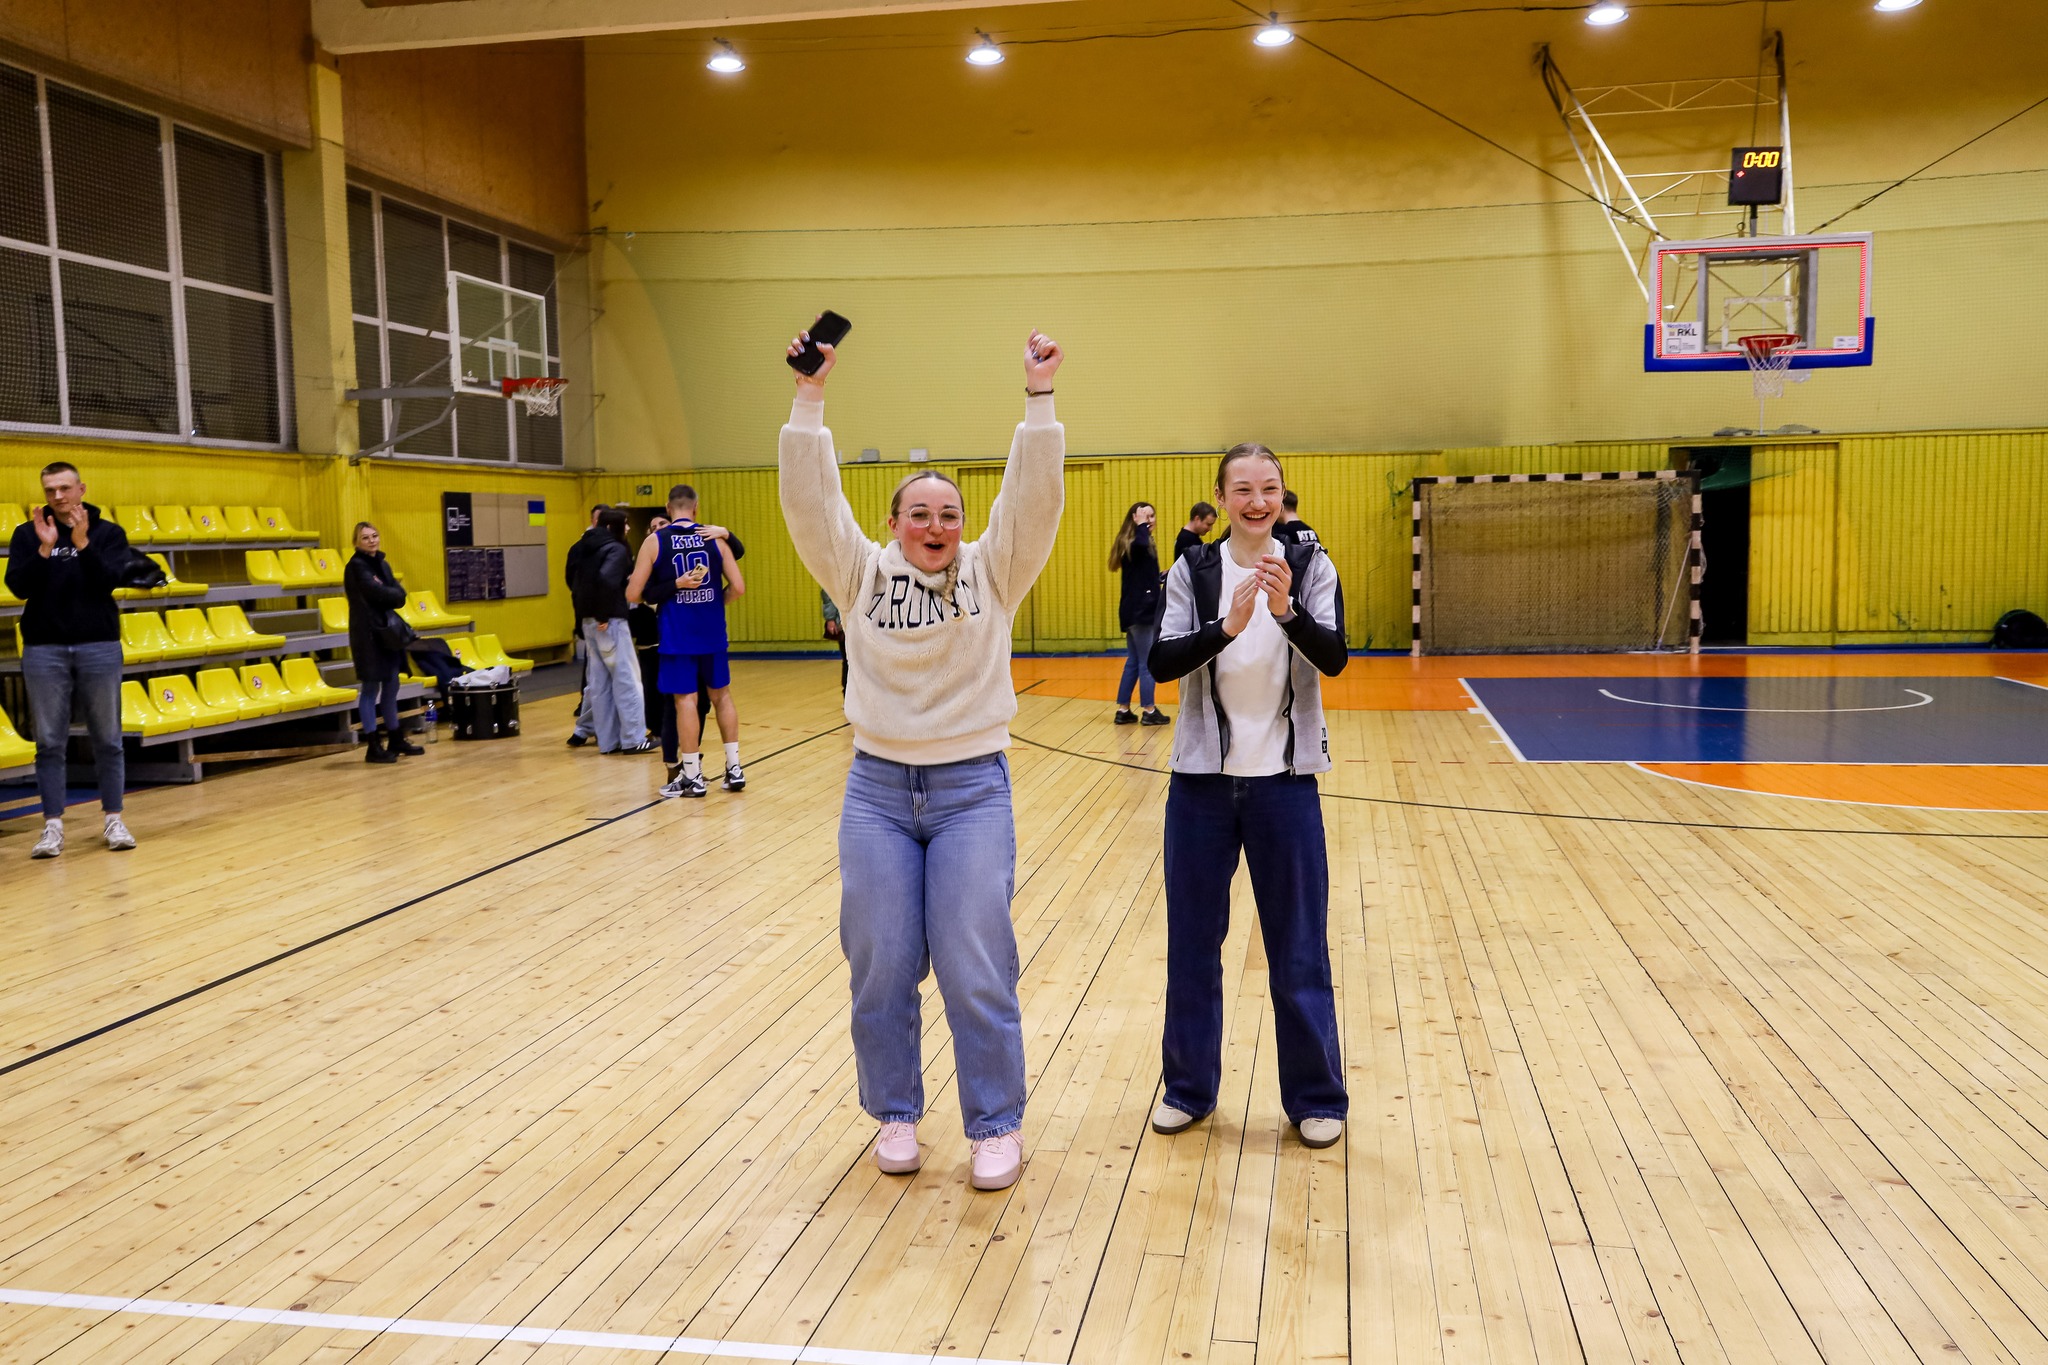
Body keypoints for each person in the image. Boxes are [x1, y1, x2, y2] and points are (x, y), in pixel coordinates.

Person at [779, 318, 1065, 1193]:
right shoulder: (858, 573)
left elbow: (1034, 501)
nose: (935, 525)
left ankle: (996, 1124)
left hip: (972, 789)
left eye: (949, 514)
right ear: (892, 522)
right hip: (876, 792)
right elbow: (810, 503)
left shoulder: (993, 571)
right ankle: (896, 1113)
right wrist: (809, 395)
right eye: (919, 512)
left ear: (964, 526)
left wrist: (1040, 399)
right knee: (880, 962)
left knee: (975, 964)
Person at [1147, 443, 1350, 1151]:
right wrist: (1226, 627)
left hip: (1286, 787)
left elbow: (1335, 657)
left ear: (1282, 495)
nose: (1256, 501)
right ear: (1222, 496)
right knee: (1192, 945)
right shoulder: (1192, 569)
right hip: (1200, 788)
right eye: (1242, 489)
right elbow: (1161, 661)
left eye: (1268, 488)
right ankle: (1187, 1088)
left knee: (1298, 947)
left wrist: (1287, 612)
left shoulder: (1312, 566)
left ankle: (1317, 1098)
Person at [7, 461, 134, 857]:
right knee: (48, 741)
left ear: (81, 489)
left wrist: (82, 544)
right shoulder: (27, 534)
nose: (58, 496)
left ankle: (114, 819)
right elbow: (18, 587)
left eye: (64, 488)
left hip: (99, 644)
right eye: (50, 490)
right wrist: (45, 549)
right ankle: (52, 827)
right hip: (44, 648)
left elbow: (110, 580)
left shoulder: (108, 533)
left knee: (108, 738)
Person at [626, 485, 745, 796]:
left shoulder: (655, 541)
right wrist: (716, 602)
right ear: (696, 507)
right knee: (722, 696)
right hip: (712, 631)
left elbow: (633, 593)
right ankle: (734, 768)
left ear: (668, 508)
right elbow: (738, 587)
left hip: (677, 634)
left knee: (686, 701)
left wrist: (673, 586)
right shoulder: (715, 538)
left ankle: (692, 775)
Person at [344, 521, 465, 764]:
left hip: (388, 634)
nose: (372, 540)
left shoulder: (382, 564)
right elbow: (377, 592)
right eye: (365, 537)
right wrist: (389, 592)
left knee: (392, 685)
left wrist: (389, 592)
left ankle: (396, 738)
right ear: (356, 542)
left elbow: (399, 596)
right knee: (370, 688)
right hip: (368, 636)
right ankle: (373, 745)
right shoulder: (356, 566)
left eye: (374, 535)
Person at [571, 508, 650, 754]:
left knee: (600, 684)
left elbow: (572, 583)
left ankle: (608, 742)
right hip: (610, 620)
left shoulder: (582, 548)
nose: (627, 528)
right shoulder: (616, 549)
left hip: (588, 621)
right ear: (610, 526)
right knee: (627, 680)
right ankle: (634, 738)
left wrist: (586, 616)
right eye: (624, 524)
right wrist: (604, 614)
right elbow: (606, 580)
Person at [1108, 501, 1169, 726]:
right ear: (1134, 520)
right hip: (1142, 612)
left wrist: (1159, 576)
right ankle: (1149, 711)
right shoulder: (1136, 542)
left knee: (1133, 661)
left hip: (1133, 610)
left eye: (1152, 516)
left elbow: (1140, 577)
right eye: (1145, 516)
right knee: (1146, 662)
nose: (1149, 520)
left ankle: (1123, 710)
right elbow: (1141, 544)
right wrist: (1142, 525)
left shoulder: (1134, 543)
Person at [565, 504, 609, 747]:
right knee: (599, 677)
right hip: (599, 618)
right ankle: (591, 728)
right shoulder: (587, 548)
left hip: (599, 617)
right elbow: (576, 583)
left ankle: (590, 728)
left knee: (599, 677)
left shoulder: (612, 546)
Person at [821, 588, 848, 694]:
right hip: (844, 622)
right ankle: (847, 693)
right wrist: (830, 618)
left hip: (859, 621)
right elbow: (828, 592)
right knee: (848, 660)